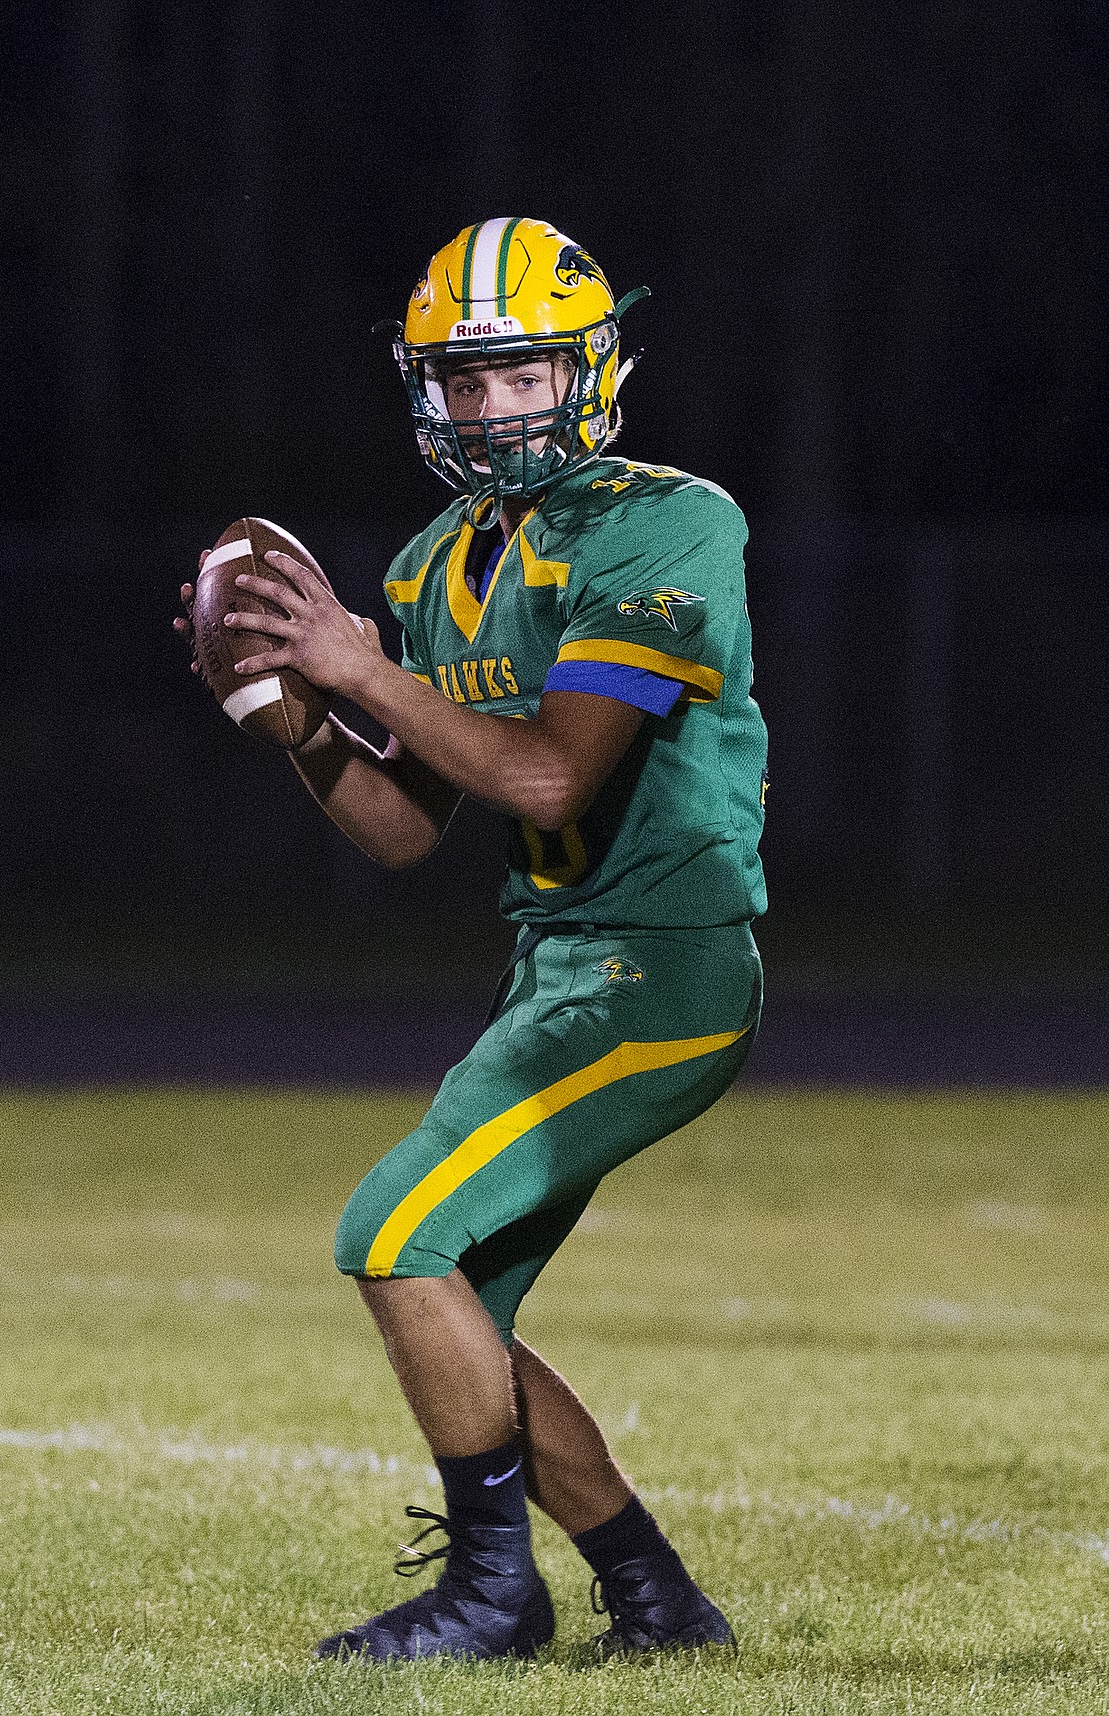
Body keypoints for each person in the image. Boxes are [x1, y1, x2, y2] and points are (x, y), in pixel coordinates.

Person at [175, 217, 768, 1663]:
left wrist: (356, 665)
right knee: (459, 1322)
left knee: (390, 1235)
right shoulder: (439, 559)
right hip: (555, 967)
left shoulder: (667, 519)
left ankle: (495, 1596)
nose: (492, 407)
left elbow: (552, 777)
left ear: (593, 366)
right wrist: (288, 715)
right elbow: (401, 827)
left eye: (522, 374)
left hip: (661, 965)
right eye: (463, 380)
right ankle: (655, 1602)